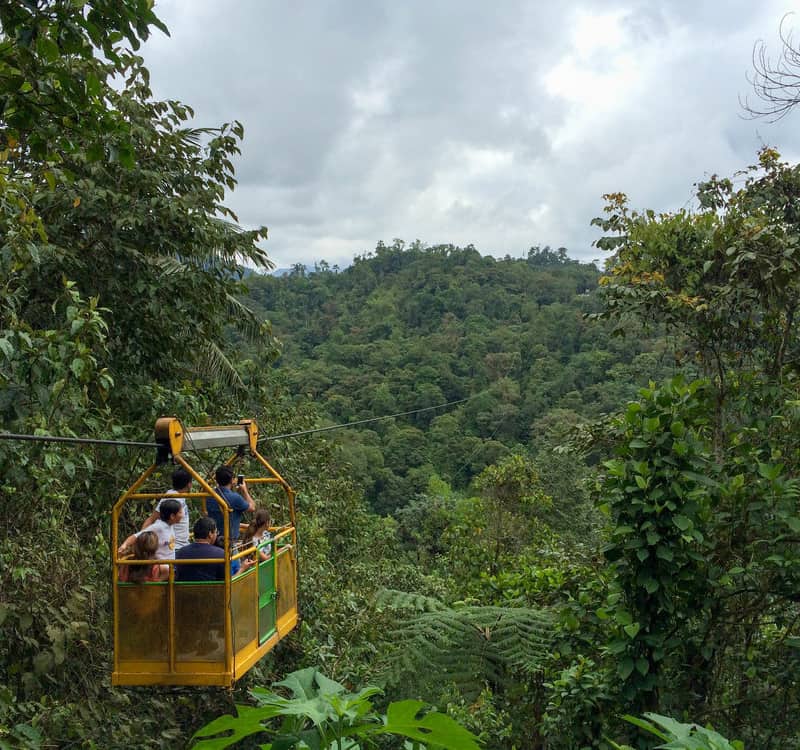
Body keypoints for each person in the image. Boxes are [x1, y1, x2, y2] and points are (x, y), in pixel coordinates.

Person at [142, 468, 192, 550]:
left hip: (182, 544)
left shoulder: (179, 495)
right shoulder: (171, 497)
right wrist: (141, 540)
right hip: (174, 546)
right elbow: (152, 519)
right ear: (189, 484)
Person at [118, 498, 183, 560]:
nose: (183, 515)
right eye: (180, 512)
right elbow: (137, 535)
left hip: (171, 565)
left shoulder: (170, 525)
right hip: (162, 565)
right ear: (172, 516)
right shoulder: (159, 526)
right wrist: (124, 545)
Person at [205, 466, 255, 543]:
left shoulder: (209, 496)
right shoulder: (235, 498)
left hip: (212, 540)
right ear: (232, 480)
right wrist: (244, 491)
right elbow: (252, 507)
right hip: (229, 542)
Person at [175, 517, 226, 582]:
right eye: (216, 532)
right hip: (212, 591)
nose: (216, 535)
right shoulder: (221, 554)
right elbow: (225, 580)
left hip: (184, 591)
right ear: (210, 534)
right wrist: (242, 568)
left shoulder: (180, 552)